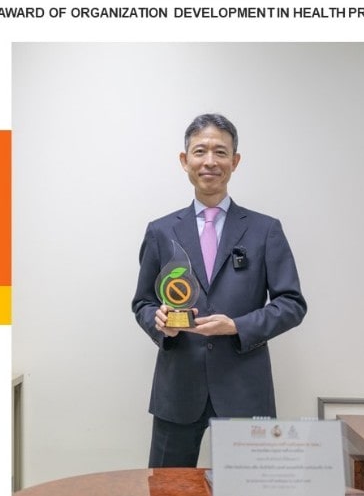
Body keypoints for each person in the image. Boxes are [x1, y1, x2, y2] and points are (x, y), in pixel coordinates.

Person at [131, 113, 307, 468]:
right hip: (177, 390)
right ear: (185, 160)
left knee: (249, 488)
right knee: (167, 489)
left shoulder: (265, 230)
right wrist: (158, 322)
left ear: (235, 161)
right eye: (200, 151)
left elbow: (292, 304)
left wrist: (237, 326)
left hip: (245, 390)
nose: (209, 161)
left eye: (220, 152)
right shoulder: (161, 231)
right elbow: (143, 302)